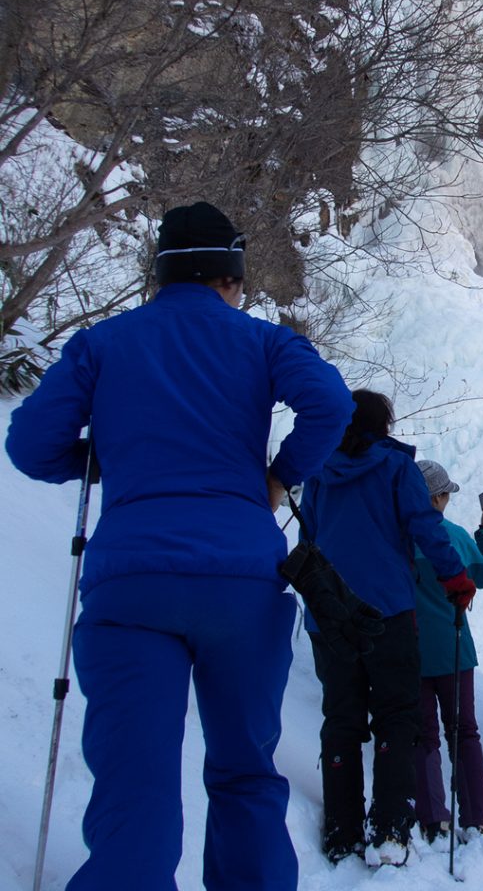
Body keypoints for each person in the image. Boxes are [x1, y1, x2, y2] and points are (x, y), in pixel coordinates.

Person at [6, 201, 354, 891]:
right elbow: (332, 406)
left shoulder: (104, 344)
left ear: (160, 275)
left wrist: (100, 459)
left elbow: (28, 445)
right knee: (245, 771)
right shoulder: (262, 342)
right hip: (242, 584)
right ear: (232, 276)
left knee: (136, 780)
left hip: (132, 585)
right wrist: (280, 478)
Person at [298, 390, 476, 867]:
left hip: (331, 616)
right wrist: (455, 579)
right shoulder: (396, 468)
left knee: (341, 719)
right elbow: (425, 527)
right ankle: (391, 831)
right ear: (385, 425)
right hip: (387, 612)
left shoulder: (319, 471)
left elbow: (307, 541)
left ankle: (342, 833)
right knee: (397, 717)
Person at [412, 461, 483, 843]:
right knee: (464, 733)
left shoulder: (395, 536)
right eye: (446, 493)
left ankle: (433, 817)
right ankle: (476, 818)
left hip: (408, 651)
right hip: (454, 647)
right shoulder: (454, 536)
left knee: (423, 735)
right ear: (438, 497)